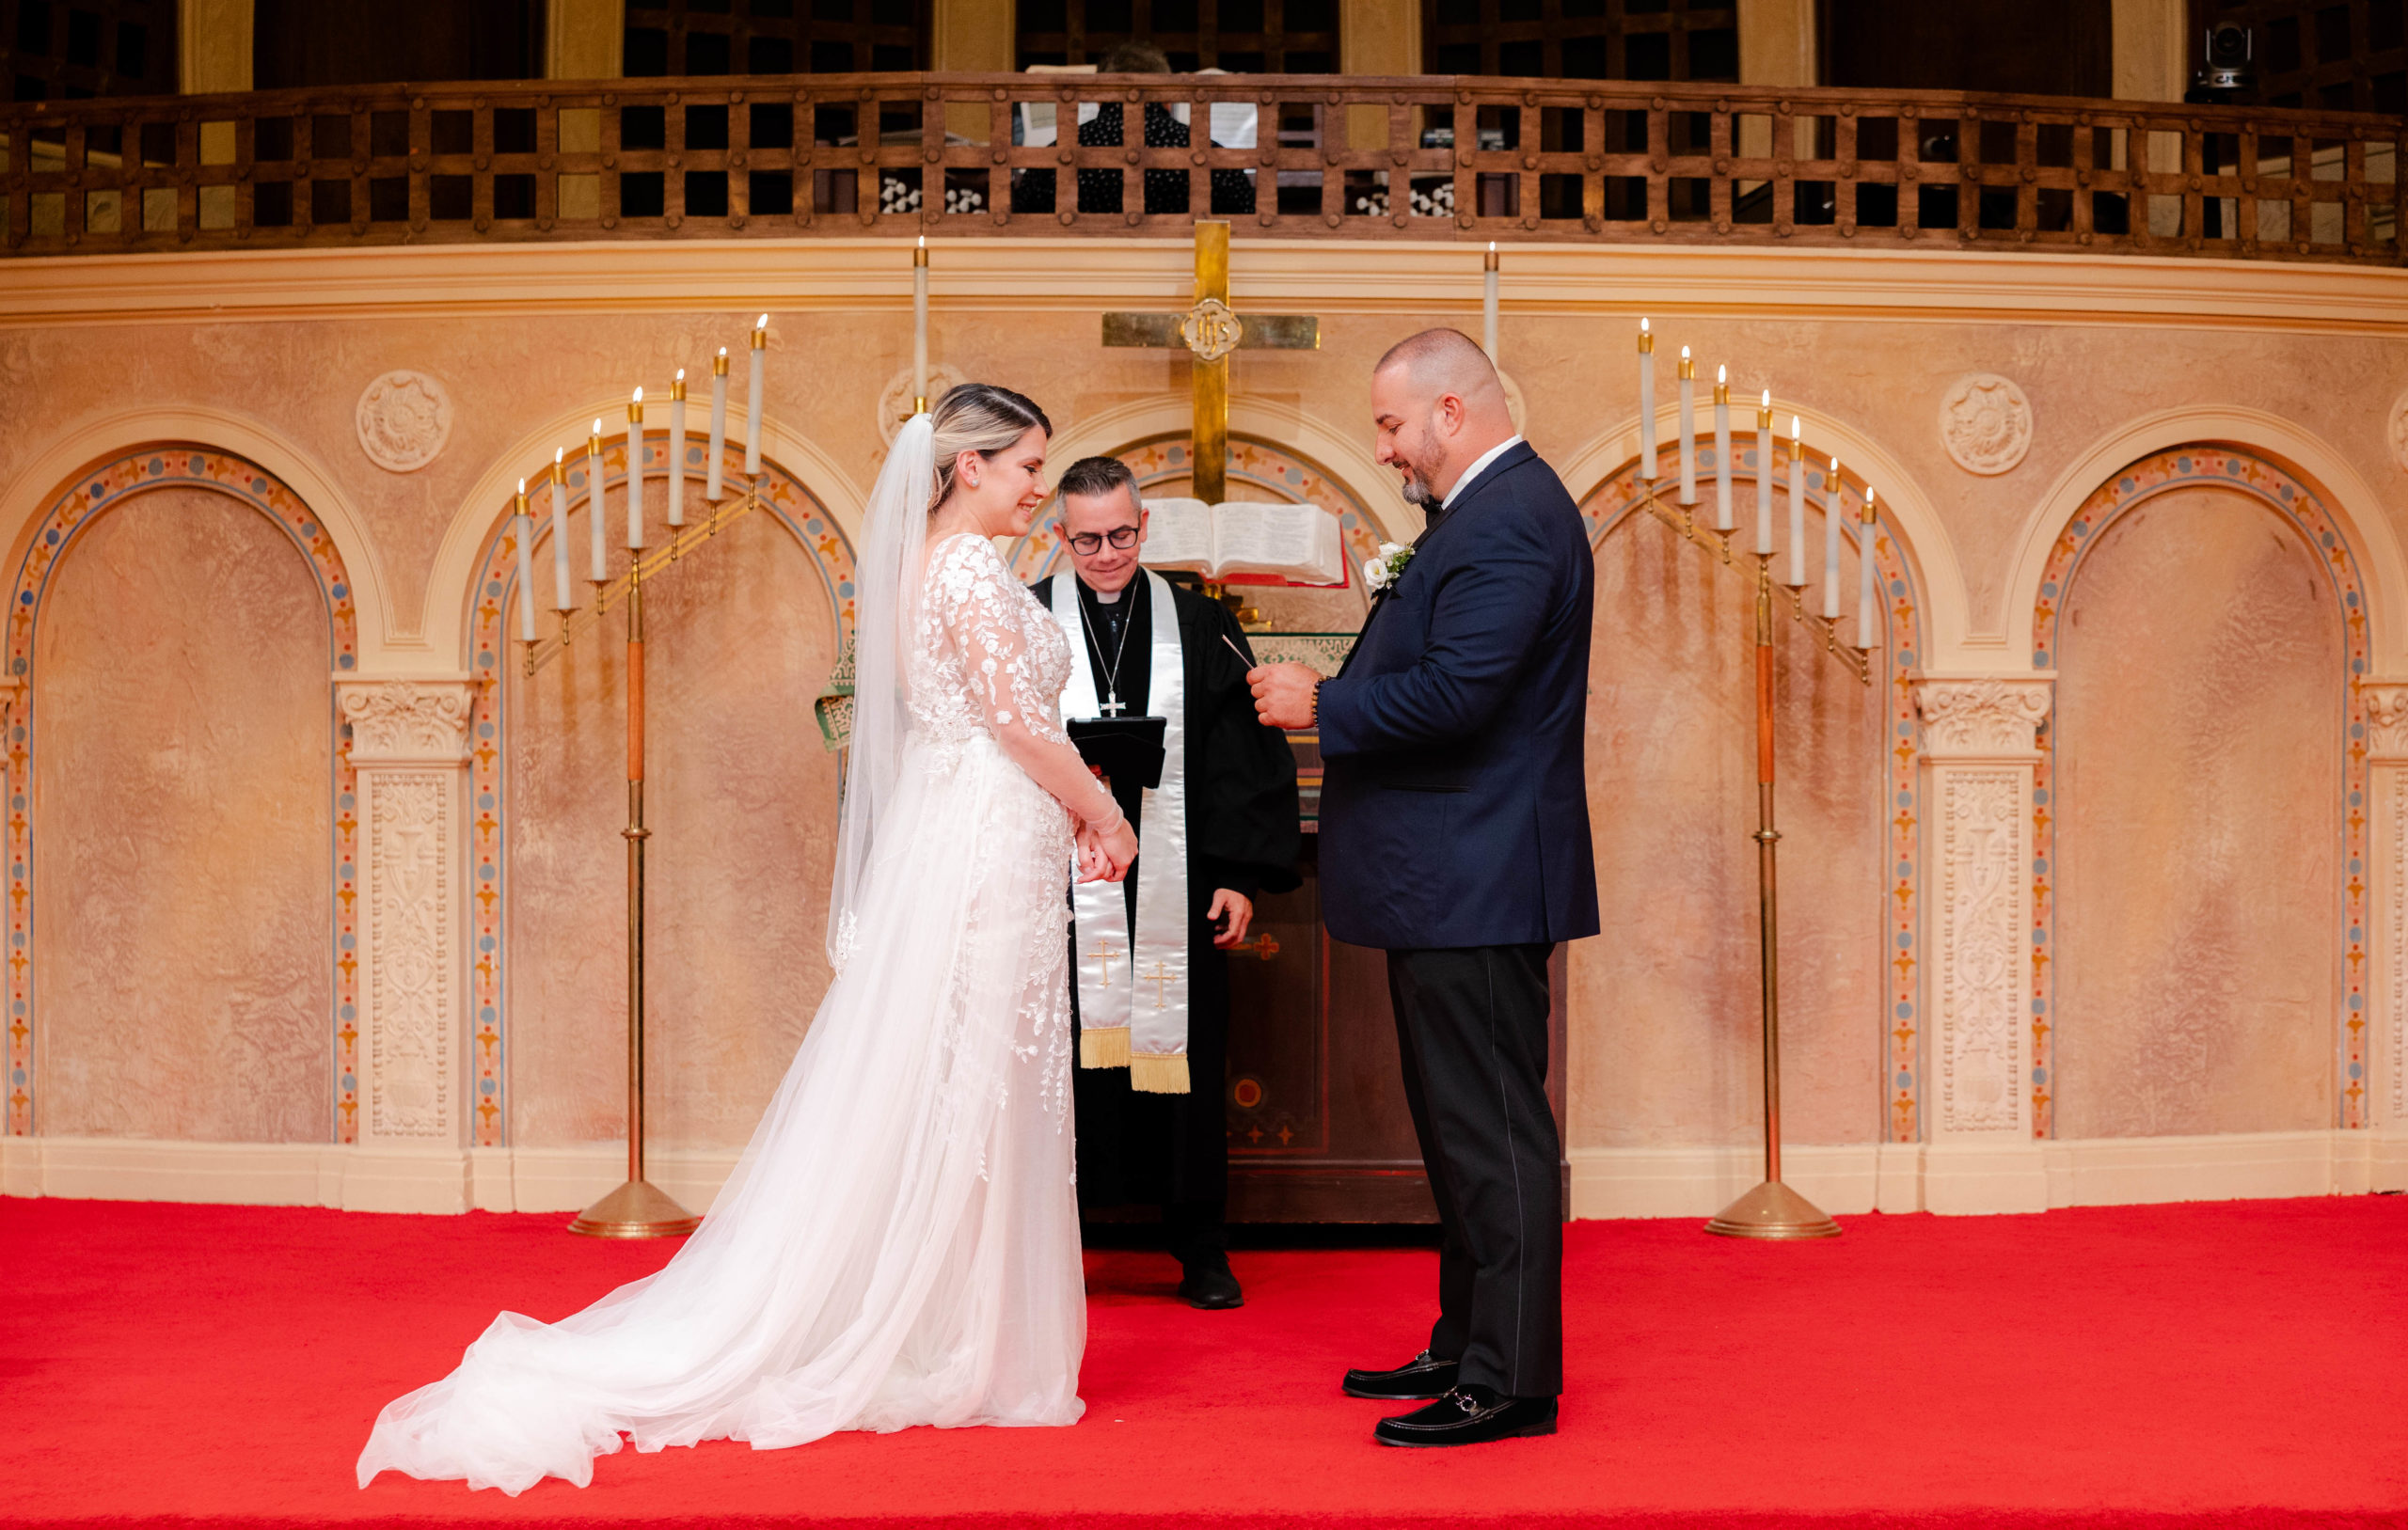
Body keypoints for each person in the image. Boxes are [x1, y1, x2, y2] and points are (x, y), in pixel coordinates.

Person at [356, 385, 1138, 1495]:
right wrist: (1100, 813)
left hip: (975, 829)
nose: (1035, 492)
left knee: (961, 1084)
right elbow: (1016, 725)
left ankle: (949, 1325)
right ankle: (957, 1339)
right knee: (975, 1086)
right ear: (969, 467)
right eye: (1024, 470)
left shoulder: (928, 564)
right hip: (983, 843)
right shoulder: (966, 570)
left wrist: (1067, 808)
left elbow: (993, 727)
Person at [1248, 329, 1598, 1448]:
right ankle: (1466, 1341)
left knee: (1493, 1133)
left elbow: (1461, 698)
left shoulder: (1510, 522)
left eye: (1393, 425)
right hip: (1453, 875)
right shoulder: (1486, 517)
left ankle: (1509, 1382)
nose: (1388, 449)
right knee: (1460, 1131)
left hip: (1478, 875)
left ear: (1452, 410)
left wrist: (1324, 707)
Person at [1031, 456, 1300, 1309]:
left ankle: (1200, 1244)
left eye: (1120, 535)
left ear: (1144, 529)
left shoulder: (1199, 621)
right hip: (1059, 888)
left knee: (1185, 1063)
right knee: (1060, 1067)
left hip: (1175, 886)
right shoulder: (1030, 619)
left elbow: (1243, 761)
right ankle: (1052, 1244)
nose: (1106, 553)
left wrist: (1236, 876)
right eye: (1086, 539)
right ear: (1059, 535)